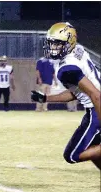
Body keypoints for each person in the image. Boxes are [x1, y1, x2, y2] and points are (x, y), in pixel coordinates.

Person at [31, 22, 101, 169]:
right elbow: (75, 93)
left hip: (96, 108)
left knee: (72, 155)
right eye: (51, 43)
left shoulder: (67, 69)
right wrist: (45, 98)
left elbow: (96, 95)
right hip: (95, 105)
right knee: (93, 147)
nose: (52, 48)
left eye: (57, 44)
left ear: (69, 42)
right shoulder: (79, 50)